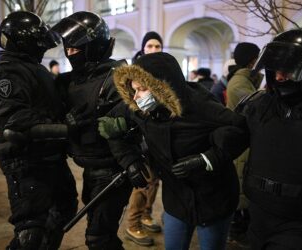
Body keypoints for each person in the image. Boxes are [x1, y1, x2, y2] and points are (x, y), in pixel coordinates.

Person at [98, 52, 249, 250]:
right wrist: (130, 161)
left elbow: (241, 130)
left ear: (161, 86)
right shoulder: (140, 109)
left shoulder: (201, 105)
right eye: (134, 90)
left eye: (142, 89)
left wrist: (206, 159)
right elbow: (110, 128)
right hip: (176, 200)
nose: (136, 97)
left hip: (214, 199)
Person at [239, 28, 302, 250]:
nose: (279, 77)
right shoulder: (258, 106)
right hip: (257, 216)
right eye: (275, 70)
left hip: (301, 224)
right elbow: (229, 138)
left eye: (289, 70)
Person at [0, 11, 78, 250]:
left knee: (63, 211)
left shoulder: (29, 68)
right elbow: (13, 120)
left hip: (48, 158)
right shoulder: (8, 71)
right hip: (26, 162)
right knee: (31, 232)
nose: (43, 49)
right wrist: (65, 128)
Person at [52, 11, 134, 249]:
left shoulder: (117, 79)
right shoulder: (70, 82)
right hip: (90, 166)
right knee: (100, 234)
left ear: (94, 47)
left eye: (75, 49)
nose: (69, 54)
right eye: (67, 49)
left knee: (99, 238)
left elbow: (125, 127)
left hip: (113, 170)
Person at [126, 31, 163, 246]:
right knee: (143, 182)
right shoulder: (134, 72)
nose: (154, 50)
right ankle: (132, 224)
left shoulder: (163, 70)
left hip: (158, 134)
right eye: (150, 46)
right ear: (142, 48)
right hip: (141, 135)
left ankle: (146, 214)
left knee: (155, 181)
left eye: (157, 46)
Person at [225, 42, 262, 247]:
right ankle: (235, 231)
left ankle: (239, 228)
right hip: (241, 142)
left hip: (246, 141)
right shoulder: (239, 83)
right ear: (251, 60)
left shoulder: (246, 80)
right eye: (257, 58)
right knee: (239, 189)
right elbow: (256, 107)